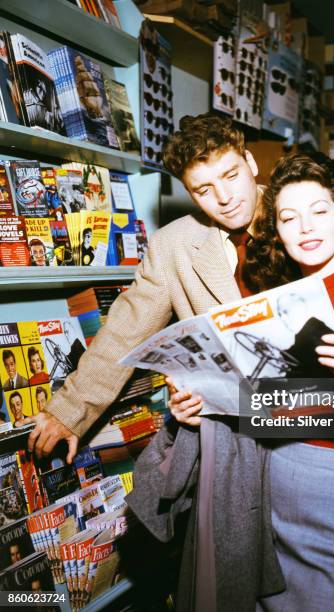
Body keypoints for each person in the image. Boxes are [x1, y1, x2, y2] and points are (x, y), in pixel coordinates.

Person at [170, 153, 334, 612]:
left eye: (319, 211)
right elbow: (247, 401)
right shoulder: (263, 305)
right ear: (276, 231)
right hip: (255, 481)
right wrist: (196, 402)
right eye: (289, 218)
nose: (306, 228)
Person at [22, 113, 262, 465]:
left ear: (251, 163)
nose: (224, 197)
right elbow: (124, 332)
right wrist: (69, 411)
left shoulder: (306, 217)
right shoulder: (172, 245)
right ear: (190, 194)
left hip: (316, 425)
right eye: (203, 189)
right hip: (231, 442)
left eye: (231, 175)